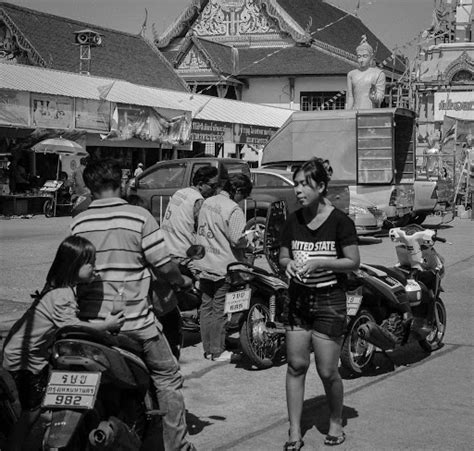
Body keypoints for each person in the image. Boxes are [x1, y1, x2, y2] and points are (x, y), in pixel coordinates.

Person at [70, 158, 195, 451]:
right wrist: (181, 282)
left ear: (89, 188)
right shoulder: (139, 217)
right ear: (122, 184)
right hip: (135, 324)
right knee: (168, 376)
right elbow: (164, 267)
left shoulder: (78, 221)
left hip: (89, 325)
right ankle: (177, 446)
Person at [2, 235, 125, 451]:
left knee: (37, 404)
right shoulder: (62, 296)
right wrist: (107, 324)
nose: (94, 269)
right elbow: (73, 327)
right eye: (90, 263)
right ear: (73, 265)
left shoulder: (58, 289)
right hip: (26, 360)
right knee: (31, 411)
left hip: (25, 353)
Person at [279, 158, 360, 449]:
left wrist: (321, 262)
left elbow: (353, 261)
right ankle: (294, 431)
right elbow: (283, 255)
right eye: (296, 184)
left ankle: (336, 421)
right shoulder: (293, 219)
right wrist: (287, 265)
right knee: (296, 365)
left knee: (327, 370)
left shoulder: (340, 222)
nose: (298, 190)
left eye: (304, 184)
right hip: (297, 301)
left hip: (329, 301)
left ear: (321, 186)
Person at [195, 173, 253, 362]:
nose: (242, 200)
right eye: (243, 195)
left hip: (204, 261)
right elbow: (238, 240)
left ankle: (208, 348)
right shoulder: (233, 209)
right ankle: (218, 351)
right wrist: (251, 238)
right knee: (220, 309)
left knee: (206, 307)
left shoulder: (208, 202)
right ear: (237, 191)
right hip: (223, 266)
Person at [161, 166, 219, 262]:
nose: (215, 190)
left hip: (166, 249)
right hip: (183, 254)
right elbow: (203, 231)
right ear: (200, 184)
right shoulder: (197, 200)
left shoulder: (180, 192)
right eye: (213, 186)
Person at [346, 35, 386, 110]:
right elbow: (350, 97)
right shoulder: (351, 74)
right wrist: (347, 114)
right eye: (359, 56)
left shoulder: (378, 74)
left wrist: (373, 96)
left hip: (371, 111)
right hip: (355, 111)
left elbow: (380, 98)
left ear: (371, 57)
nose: (361, 60)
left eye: (365, 56)